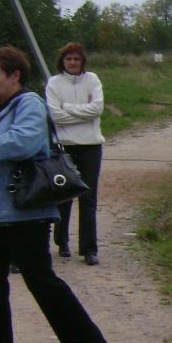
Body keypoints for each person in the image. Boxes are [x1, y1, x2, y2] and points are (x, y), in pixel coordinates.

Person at [0, 46, 107, 343]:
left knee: (41, 281)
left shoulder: (28, 104)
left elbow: (24, 143)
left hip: (26, 213)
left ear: (14, 76)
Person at [45, 41, 104, 266]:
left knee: (88, 197)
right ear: (63, 61)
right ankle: (61, 241)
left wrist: (67, 108)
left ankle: (89, 249)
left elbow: (97, 108)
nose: (72, 63)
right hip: (64, 146)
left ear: (82, 61)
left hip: (91, 145)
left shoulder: (93, 80)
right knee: (64, 194)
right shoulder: (54, 83)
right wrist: (82, 113)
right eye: (68, 59)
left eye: (76, 59)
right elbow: (55, 115)